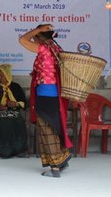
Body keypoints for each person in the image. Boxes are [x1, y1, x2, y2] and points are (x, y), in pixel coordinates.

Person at [18, 24, 71, 177]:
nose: (33, 38)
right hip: (54, 94)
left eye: (36, 36)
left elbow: (22, 39)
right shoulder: (55, 48)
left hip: (46, 94)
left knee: (47, 128)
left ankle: (55, 168)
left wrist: (37, 30)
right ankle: (62, 159)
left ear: (41, 36)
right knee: (53, 127)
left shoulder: (43, 48)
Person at [0, 63, 28, 159]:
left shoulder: (16, 87)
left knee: (19, 123)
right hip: (0, 114)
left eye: (2, 75)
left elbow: (25, 103)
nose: (0, 78)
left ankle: (19, 150)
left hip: (15, 114)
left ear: (7, 74)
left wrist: (16, 104)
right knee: (4, 124)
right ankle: (5, 151)